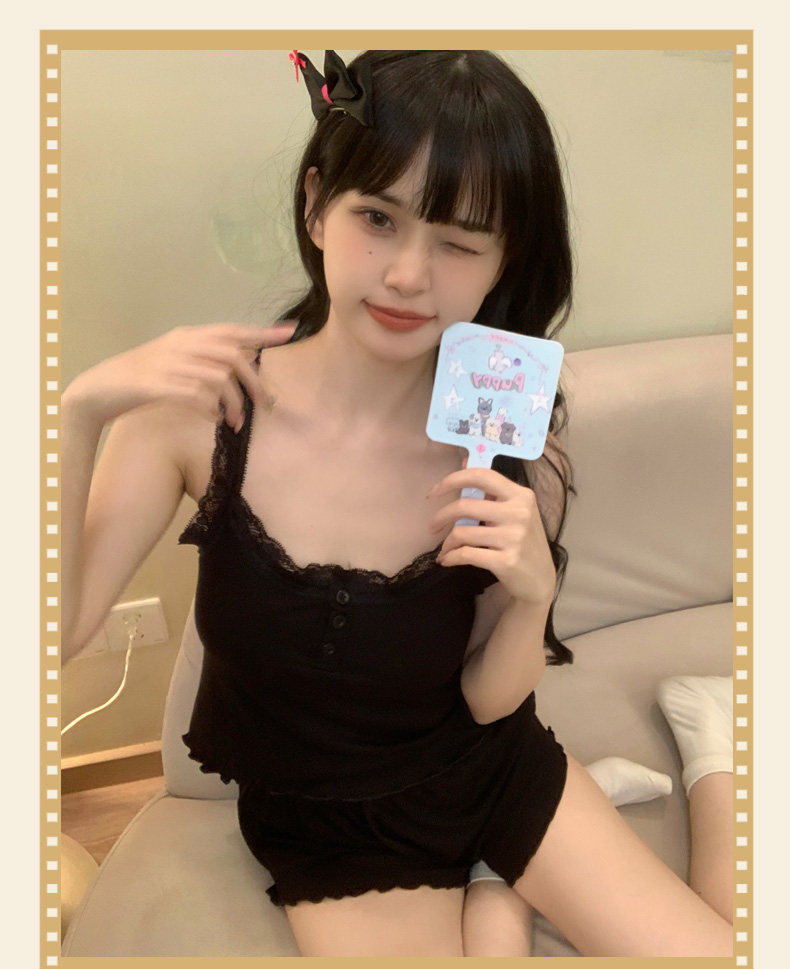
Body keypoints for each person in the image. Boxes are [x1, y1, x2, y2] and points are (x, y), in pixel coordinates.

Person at [61, 49, 733, 957]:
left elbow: (488, 705)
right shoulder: (192, 416)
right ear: (316, 206)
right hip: (331, 827)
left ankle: (715, 745)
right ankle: (496, 895)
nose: (410, 274)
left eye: (460, 241)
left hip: (489, 765)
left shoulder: (510, 440)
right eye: (378, 218)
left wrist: (531, 595)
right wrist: (77, 415)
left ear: (502, 261)